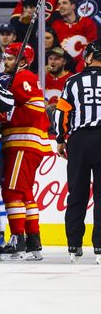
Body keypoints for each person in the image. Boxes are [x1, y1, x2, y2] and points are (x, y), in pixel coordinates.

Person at [0, 42, 51, 260]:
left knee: (11, 191)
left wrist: (6, 101)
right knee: (25, 193)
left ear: (23, 61)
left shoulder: (23, 77)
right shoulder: (20, 78)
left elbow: (34, 108)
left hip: (23, 141)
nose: (5, 62)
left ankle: (17, 239)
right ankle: (33, 241)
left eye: (10, 58)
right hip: (25, 142)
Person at [54, 41, 101, 264]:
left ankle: (74, 245)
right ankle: (100, 245)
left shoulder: (73, 80)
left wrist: (61, 139)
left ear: (89, 57)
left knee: (77, 194)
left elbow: (61, 113)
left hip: (80, 140)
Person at [50, 0, 98, 66]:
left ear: (73, 6)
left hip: (84, 63)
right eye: (59, 4)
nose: (60, 6)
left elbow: (93, 45)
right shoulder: (56, 25)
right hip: (63, 65)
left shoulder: (87, 22)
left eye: (64, 3)